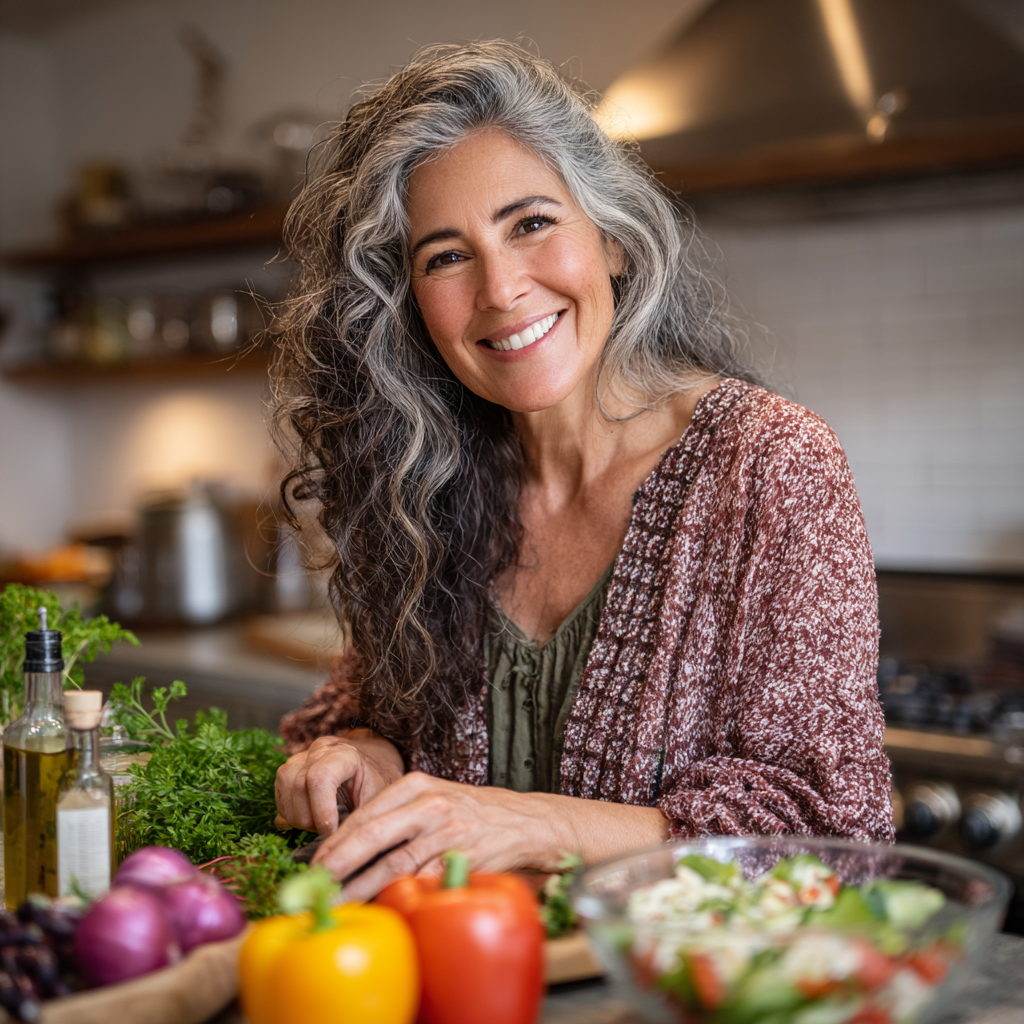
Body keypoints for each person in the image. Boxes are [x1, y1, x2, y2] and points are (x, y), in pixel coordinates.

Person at [271, 40, 893, 901]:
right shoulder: (424, 485)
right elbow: (364, 707)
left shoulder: (772, 465)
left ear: (613, 242)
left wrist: (537, 825)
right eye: (445, 256)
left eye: (531, 224)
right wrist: (360, 748)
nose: (500, 290)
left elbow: (832, 834)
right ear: (409, 306)